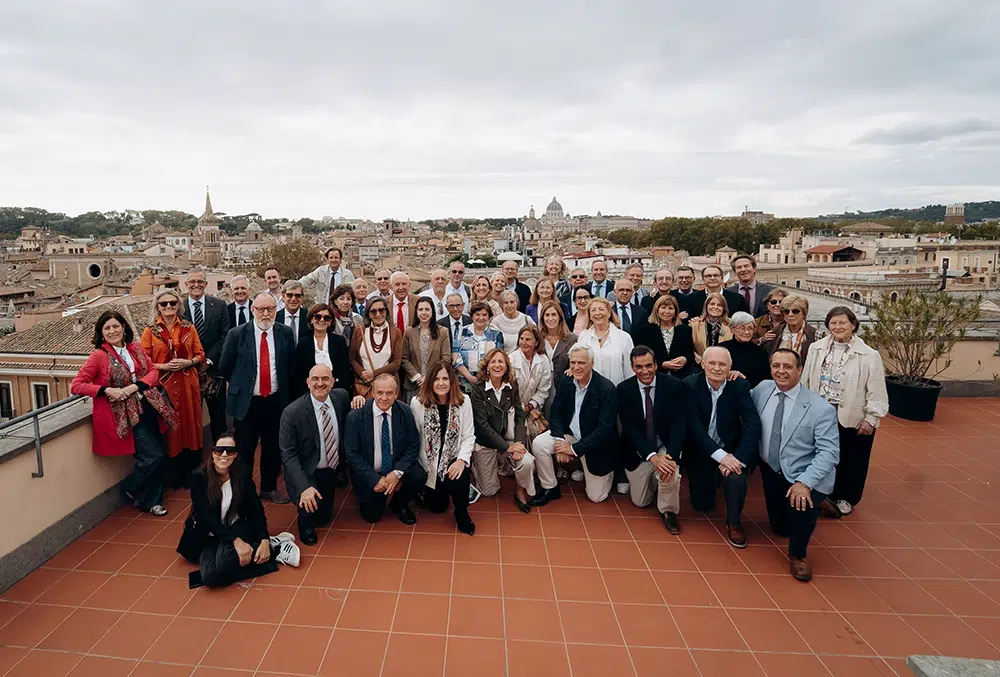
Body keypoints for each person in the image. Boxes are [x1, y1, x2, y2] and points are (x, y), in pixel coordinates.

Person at [72, 310, 177, 516]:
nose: (112, 331)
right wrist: (106, 390)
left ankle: (151, 500)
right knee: (152, 456)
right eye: (107, 328)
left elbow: (153, 372)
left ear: (123, 328)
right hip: (125, 416)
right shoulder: (98, 356)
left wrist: (134, 387)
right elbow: (77, 385)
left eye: (116, 326)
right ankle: (130, 487)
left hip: (148, 407)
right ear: (101, 333)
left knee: (156, 454)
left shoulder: (134, 348)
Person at [752, 349, 840, 582]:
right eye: (776, 366)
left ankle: (798, 555)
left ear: (799, 370)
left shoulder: (821, 409)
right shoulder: (762, 389)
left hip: (803, 471)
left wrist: (805, 483)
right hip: (771, 467)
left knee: (801, 505)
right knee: (780, 528)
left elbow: (830, 453)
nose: (781, 371)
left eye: (788, 367)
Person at [803, 306, 888, 518]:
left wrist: (871, 418)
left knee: (852, 458)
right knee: (821, 453)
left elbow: (877, 389)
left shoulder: (869, 355)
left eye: (843, 323)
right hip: (821, 412)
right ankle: (821, 494)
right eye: (833, 323)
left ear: (853, 325)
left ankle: (845, 497)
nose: (838, 327)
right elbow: (805, 379)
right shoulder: (816, 349)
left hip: (851, 414)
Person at [186, 435, 300, 588]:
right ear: (213, 453)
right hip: (212, 532)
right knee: (208, 576)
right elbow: (205, 516)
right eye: (219, 450)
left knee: (224, 562)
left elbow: (256, 510)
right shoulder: (199, 478)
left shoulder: (242, 476)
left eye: (230, 451)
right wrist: (236, 541)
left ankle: (270, 545)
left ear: (236, 454)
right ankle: (274, 552)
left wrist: (264, 539)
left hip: (238, 527)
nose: (224, 455)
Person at [219, 292, 296, 504]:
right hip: (247, 403)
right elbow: (225, 367)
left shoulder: (285, 333)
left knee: (273, 448)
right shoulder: (237, 334)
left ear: (275, 310)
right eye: (261, 309)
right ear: (253, 310)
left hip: (274, 401)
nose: (265, 313)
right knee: (245, 450)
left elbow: (290, 367)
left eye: (270, 309)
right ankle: (244, 491)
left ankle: (269, 488)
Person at [683, 347, 762, 548]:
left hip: (731, 450)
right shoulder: (690, 385)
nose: (717, 368)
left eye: (722, 364)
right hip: (702, 450)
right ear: (703, 364)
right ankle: (713, 481)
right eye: (712, 363)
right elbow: (695, 429)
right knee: (702, 505)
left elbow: (753, 424)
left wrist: (737, 458)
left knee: (736, 477)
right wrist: (721, 458)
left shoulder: (740, 385)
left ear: (730, 367)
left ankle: (734, 522)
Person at [531, 345, 618, 504]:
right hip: (569, 435)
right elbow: (555, 412)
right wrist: (560, 442)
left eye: (582, 363)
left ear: (592, 363)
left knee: (596, 497)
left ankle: (604, 471)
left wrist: (572, 450)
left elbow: (604, 430)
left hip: (595, 443)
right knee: (539, 444)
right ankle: (550, 487)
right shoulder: (566, 381)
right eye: (573, 363)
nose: (576, 367)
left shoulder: (606, 389)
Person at [141, 289, 205, 489]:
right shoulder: (150, 331)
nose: (168, 307)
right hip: (165, 387)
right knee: (170, 429)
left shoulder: (189, 328)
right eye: (164, 304)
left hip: (188, 385)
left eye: (172, 303)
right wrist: (165, 367)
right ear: (157, 307)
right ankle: (173, 477)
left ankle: (190, 472)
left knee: (190, 425)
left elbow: (200, 354)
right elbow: (143, 362)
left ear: (179, 305)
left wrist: (188, 362)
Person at [279, 365, 350, 545]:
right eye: (315, 379)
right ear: (308, 383)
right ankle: (305, 525)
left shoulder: (341, 398)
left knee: (324, 518)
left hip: (330, 468)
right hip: (307, 470)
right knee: (309, 510)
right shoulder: (292, 413)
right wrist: (304, 487)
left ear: (332, 382)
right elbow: (288, 455)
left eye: (325, 379)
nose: (320, 383)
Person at [617, 347, 685, 533]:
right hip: (639, 450)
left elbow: (679, 423)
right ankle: (656, 482)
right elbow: (629, 428)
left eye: (649, 365)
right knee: (641, 502)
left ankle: (668, 511)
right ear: (632, 367)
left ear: (656, 365)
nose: (644, 371)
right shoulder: (624, 390)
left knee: (669, 471)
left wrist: (670, 456)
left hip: (664, 444)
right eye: (639, 367)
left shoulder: (673, 385)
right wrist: (653, 456)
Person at [344, 374, 428, 524]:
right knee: (372, 516)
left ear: (396, 394)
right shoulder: (356, 416)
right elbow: (352, 454)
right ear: (373, 393)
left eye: (389, 393)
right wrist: (373, 479)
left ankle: (400, 503)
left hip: (395, 467)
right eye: (380, 393)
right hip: (369, 470)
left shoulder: (405, 412)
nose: (384, 398)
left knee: (419, 476)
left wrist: (397, 472)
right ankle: (368, 495)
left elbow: (413, 444)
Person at [409, 362, 476, 534]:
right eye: (436, 379)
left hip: (453, 458)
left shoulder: (464, 401)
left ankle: (462, 512)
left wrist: (461, 460)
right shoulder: (417, 403)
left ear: (451, 381)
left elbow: (469, 436)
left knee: (460, 475)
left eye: (445, 378)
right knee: (437, 507)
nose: (441, 383)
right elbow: (414, 437)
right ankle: (427, 490)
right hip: (429, 462)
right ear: (430, 381)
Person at [470, 348, 537, 511]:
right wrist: (508, 448)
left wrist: (519, 443)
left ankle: (520, 489)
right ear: (486, 366)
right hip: (486, 442)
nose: (497, 365)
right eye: (493, 362)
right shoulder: (478, 389)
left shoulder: (512, 386)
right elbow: (483, 426)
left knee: (527, 462)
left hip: (508, 438)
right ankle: (480, 464)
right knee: (489, 491)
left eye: (501, 362)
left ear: (506, 366)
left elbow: (520, 417)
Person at [180, 269, 231, 442]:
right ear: (186, 284)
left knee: (218, 417)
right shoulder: (177, 307)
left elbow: (225, 336)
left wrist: (207, 360)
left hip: (214, 371)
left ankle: (221, 452)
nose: (196, 285)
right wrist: (191, 362)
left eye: (200, 281)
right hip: (187, 372)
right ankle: (194, 457)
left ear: (206, 284)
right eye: (192, 281)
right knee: (190, 418)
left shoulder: (219, 305)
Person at [292, 303, 353, 400]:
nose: (322, 320)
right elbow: (299, 375)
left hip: (336, 394)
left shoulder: (339, 341)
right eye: (317, 317)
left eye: (326, 318)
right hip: (310, 395)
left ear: (330, 322)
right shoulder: (303, 343)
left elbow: (345, 371)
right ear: (311, 320)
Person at [349, 296, 403, 397]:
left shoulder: (395, 333)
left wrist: (373, 374)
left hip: (387, 387)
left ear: (386, 312)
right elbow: (352, 359)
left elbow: (396, 363)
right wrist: (363, 374)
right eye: (373, 311)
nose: (378, 314)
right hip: (365, 387)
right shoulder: (359, 331)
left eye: (381, 310)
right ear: (368, 314)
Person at [401, 296, 452, 402]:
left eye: (427, 309)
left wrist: (429, 377)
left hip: (435, 383)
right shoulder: (409, 332)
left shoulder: (442, 332)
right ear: (416, 312)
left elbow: (446, 358)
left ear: (432, 311)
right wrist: (417, 377)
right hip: (414, 384)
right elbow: (404, 358)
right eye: (420, 309)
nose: (424, 313)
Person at [509, 325, 553, 441]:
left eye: (528, 339)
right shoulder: (511, 360)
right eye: (521, 338)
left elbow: (543, 390)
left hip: (532, 409)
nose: (524, 342)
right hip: (513, 411)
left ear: (537, 342)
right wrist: (521, 408)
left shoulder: (543, 360)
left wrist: (530, 406)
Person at [577, 297, 633, 386]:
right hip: (590, 391)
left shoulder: (624, 337)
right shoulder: (583, 336)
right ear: (590, 315)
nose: (597, 313)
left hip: (617, 390)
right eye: (593, 310)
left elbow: (629, 370)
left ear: (609, 313)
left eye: (601, 309)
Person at [639, 294, 694, 378]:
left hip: (680, 377)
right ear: (657, 310)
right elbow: (643, 355)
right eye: (663, 307)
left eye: (671, 308)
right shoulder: (646, 330)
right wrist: (662, 364)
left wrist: (685, 359)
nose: (667, 311)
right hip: (655, 376)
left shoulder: (685, 330)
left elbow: (690, 354)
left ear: (676, 312)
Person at [452, 301, 503, 388]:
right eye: (477, 314)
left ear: (489, 317)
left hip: (489, 382)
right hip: (464, 383)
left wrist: (487, 376)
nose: (481, 318)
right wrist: (469, 377)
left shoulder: (496, 334)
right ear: (472, 316)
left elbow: (499, 358)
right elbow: (456, 358)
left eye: (484, 315)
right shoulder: (460, 332)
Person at [719, 312, 771, 387]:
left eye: (750, 328)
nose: (746, 332)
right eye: (742, 328)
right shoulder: (721, 349)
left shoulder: (760, 352)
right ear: (732, 329)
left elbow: (765, 378)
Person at [763, 294, 816, 363]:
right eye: (786, 311)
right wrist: (762, 340)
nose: (790, 314)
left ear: (804, 314)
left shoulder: (816, 335)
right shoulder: (775, 333)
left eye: (795, 311)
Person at [690, 292, 733, 366]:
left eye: (719, 305)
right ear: (706, 306)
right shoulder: (694, 325)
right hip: (698, 366)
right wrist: (701, 362)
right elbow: (688, 348)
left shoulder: (731, 326)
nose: (715, 307)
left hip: (722, 368)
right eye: (712, 304)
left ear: (724, 308)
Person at [491, 290, 535, 354]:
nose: (509, 305)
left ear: (517, 302)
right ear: (501, 304)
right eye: (506, 303)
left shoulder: (527, 319)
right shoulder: (496, 322)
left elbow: (536, 340)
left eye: (512, 302)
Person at [276, 280, 308, 345]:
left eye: (297, 295)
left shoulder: (309, 317)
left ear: (302, 297)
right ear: (283, 296)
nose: (293, 299)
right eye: (289, 295)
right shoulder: (275, 318)